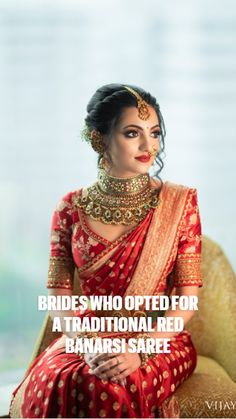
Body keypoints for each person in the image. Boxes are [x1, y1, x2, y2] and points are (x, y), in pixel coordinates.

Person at [9, 83, 202, 418]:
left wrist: (139, 351)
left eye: (154, 133)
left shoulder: (179, 204)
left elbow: (187, 297)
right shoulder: (70, 207)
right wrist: (85, 343)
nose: (148, 145)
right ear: (100, 139)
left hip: (158, 339)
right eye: (132, 133)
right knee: (60, 378)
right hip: (88, 333)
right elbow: (58, 293)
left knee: (108, 386)